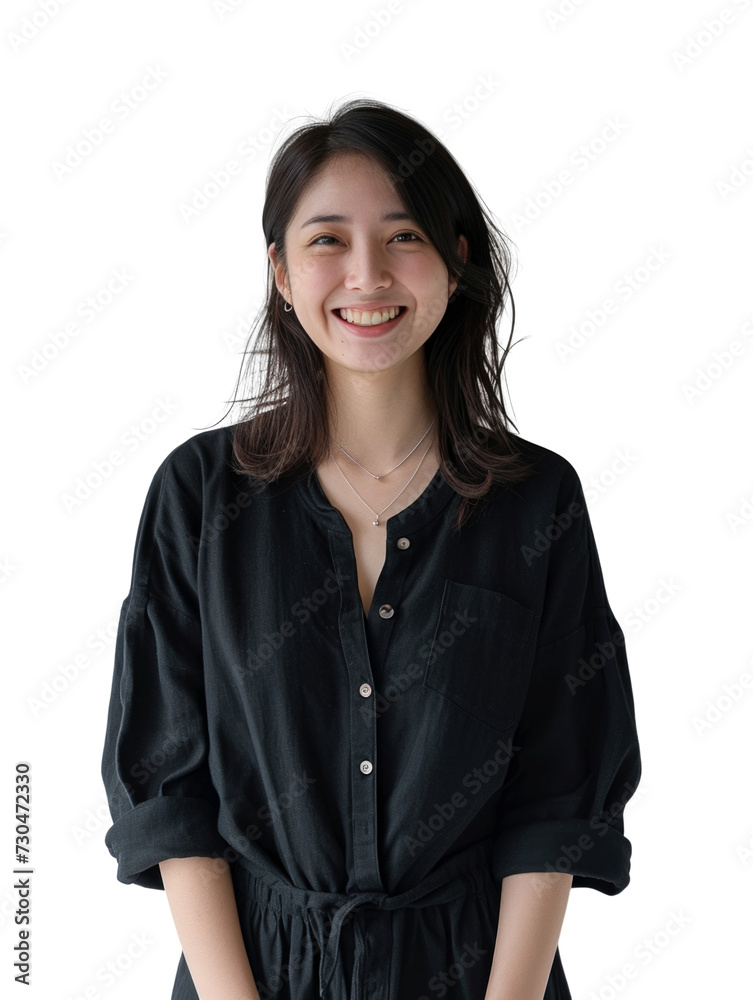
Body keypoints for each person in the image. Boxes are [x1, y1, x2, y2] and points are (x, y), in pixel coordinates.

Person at [100, 97, 642, 1000]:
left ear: (455, 258)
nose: (367, 275)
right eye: (326, 241)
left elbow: (559, 795)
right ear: (278, 270)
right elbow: (169, 790)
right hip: (252, 974)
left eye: (403, 236)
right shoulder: (200, 496)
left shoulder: (536, 501)